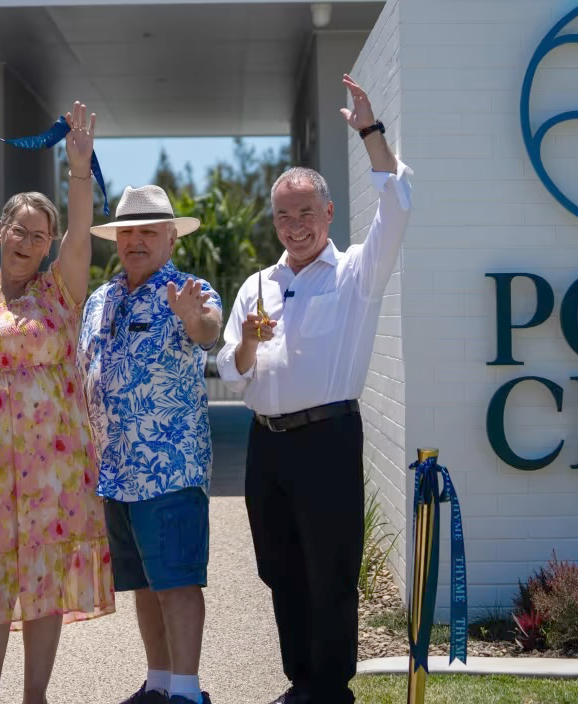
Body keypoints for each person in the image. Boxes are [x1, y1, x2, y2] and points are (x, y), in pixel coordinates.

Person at [216, 74, 411, 704]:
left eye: (307, 212)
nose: (295, 225)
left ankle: (331, 688)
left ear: (328, 213)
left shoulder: (356, 271)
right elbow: (230, 368)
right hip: (266, 443)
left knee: (330, 567)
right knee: (279, 567)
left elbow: (399, 203)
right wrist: (244, 341)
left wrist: (370, 134)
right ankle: (301, 681)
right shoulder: (257, 284)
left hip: (327, 436)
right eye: (284, 214)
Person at [0, 101, 113, 704]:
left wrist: (78, 169)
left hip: (54, 472)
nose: (29, 240)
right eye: (20, 229)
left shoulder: (61, 291)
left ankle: (34, 697)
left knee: (42, 584)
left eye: (41, 234)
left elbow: (83, 232)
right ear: (2, 231)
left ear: (48, 245)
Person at [78, 184, 223, 704]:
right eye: (128, 232)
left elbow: (209, 331)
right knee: (142, 583)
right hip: (116, 472)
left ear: (170, 239)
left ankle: (188, 691)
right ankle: (159, 683)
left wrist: (192, 317)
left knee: (177, 582)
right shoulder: (101, 299)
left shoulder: (189, 288)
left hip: (170, 468)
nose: (136, 241)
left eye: (148, 232)